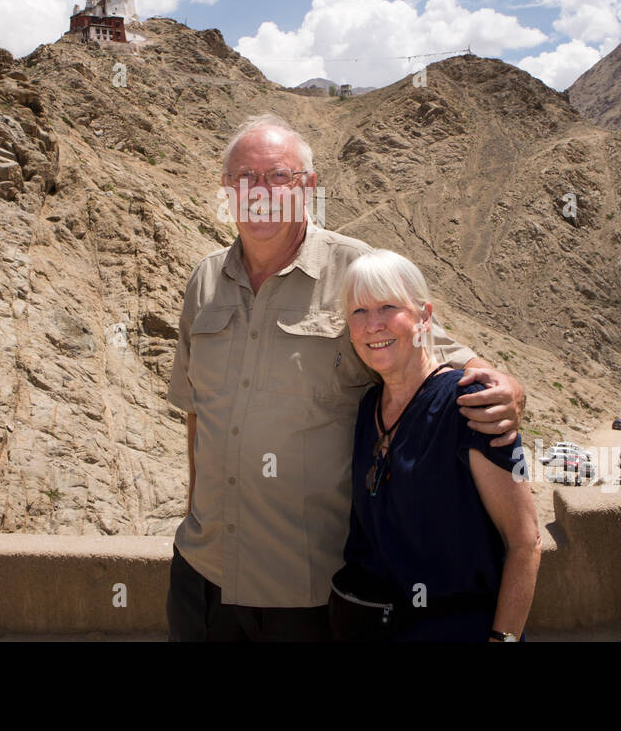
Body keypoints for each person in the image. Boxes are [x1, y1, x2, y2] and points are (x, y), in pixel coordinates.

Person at [165, 113, 528, 641]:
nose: (259, 193)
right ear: (226, 189)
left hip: (307, 593)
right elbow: (198, 415)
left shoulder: (353, 270)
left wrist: (504, 385)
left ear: (308, 187)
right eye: (244, 178)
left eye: (278, 177)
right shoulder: (204, 281)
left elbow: (431, 349)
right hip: (201, 578)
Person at [328, 249, 541, 641]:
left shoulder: (469, 403)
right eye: (358, 312)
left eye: (387, 307)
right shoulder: (368, 410)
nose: (372, 325)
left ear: (424, 317)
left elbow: (525, 540)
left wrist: (503, 638)